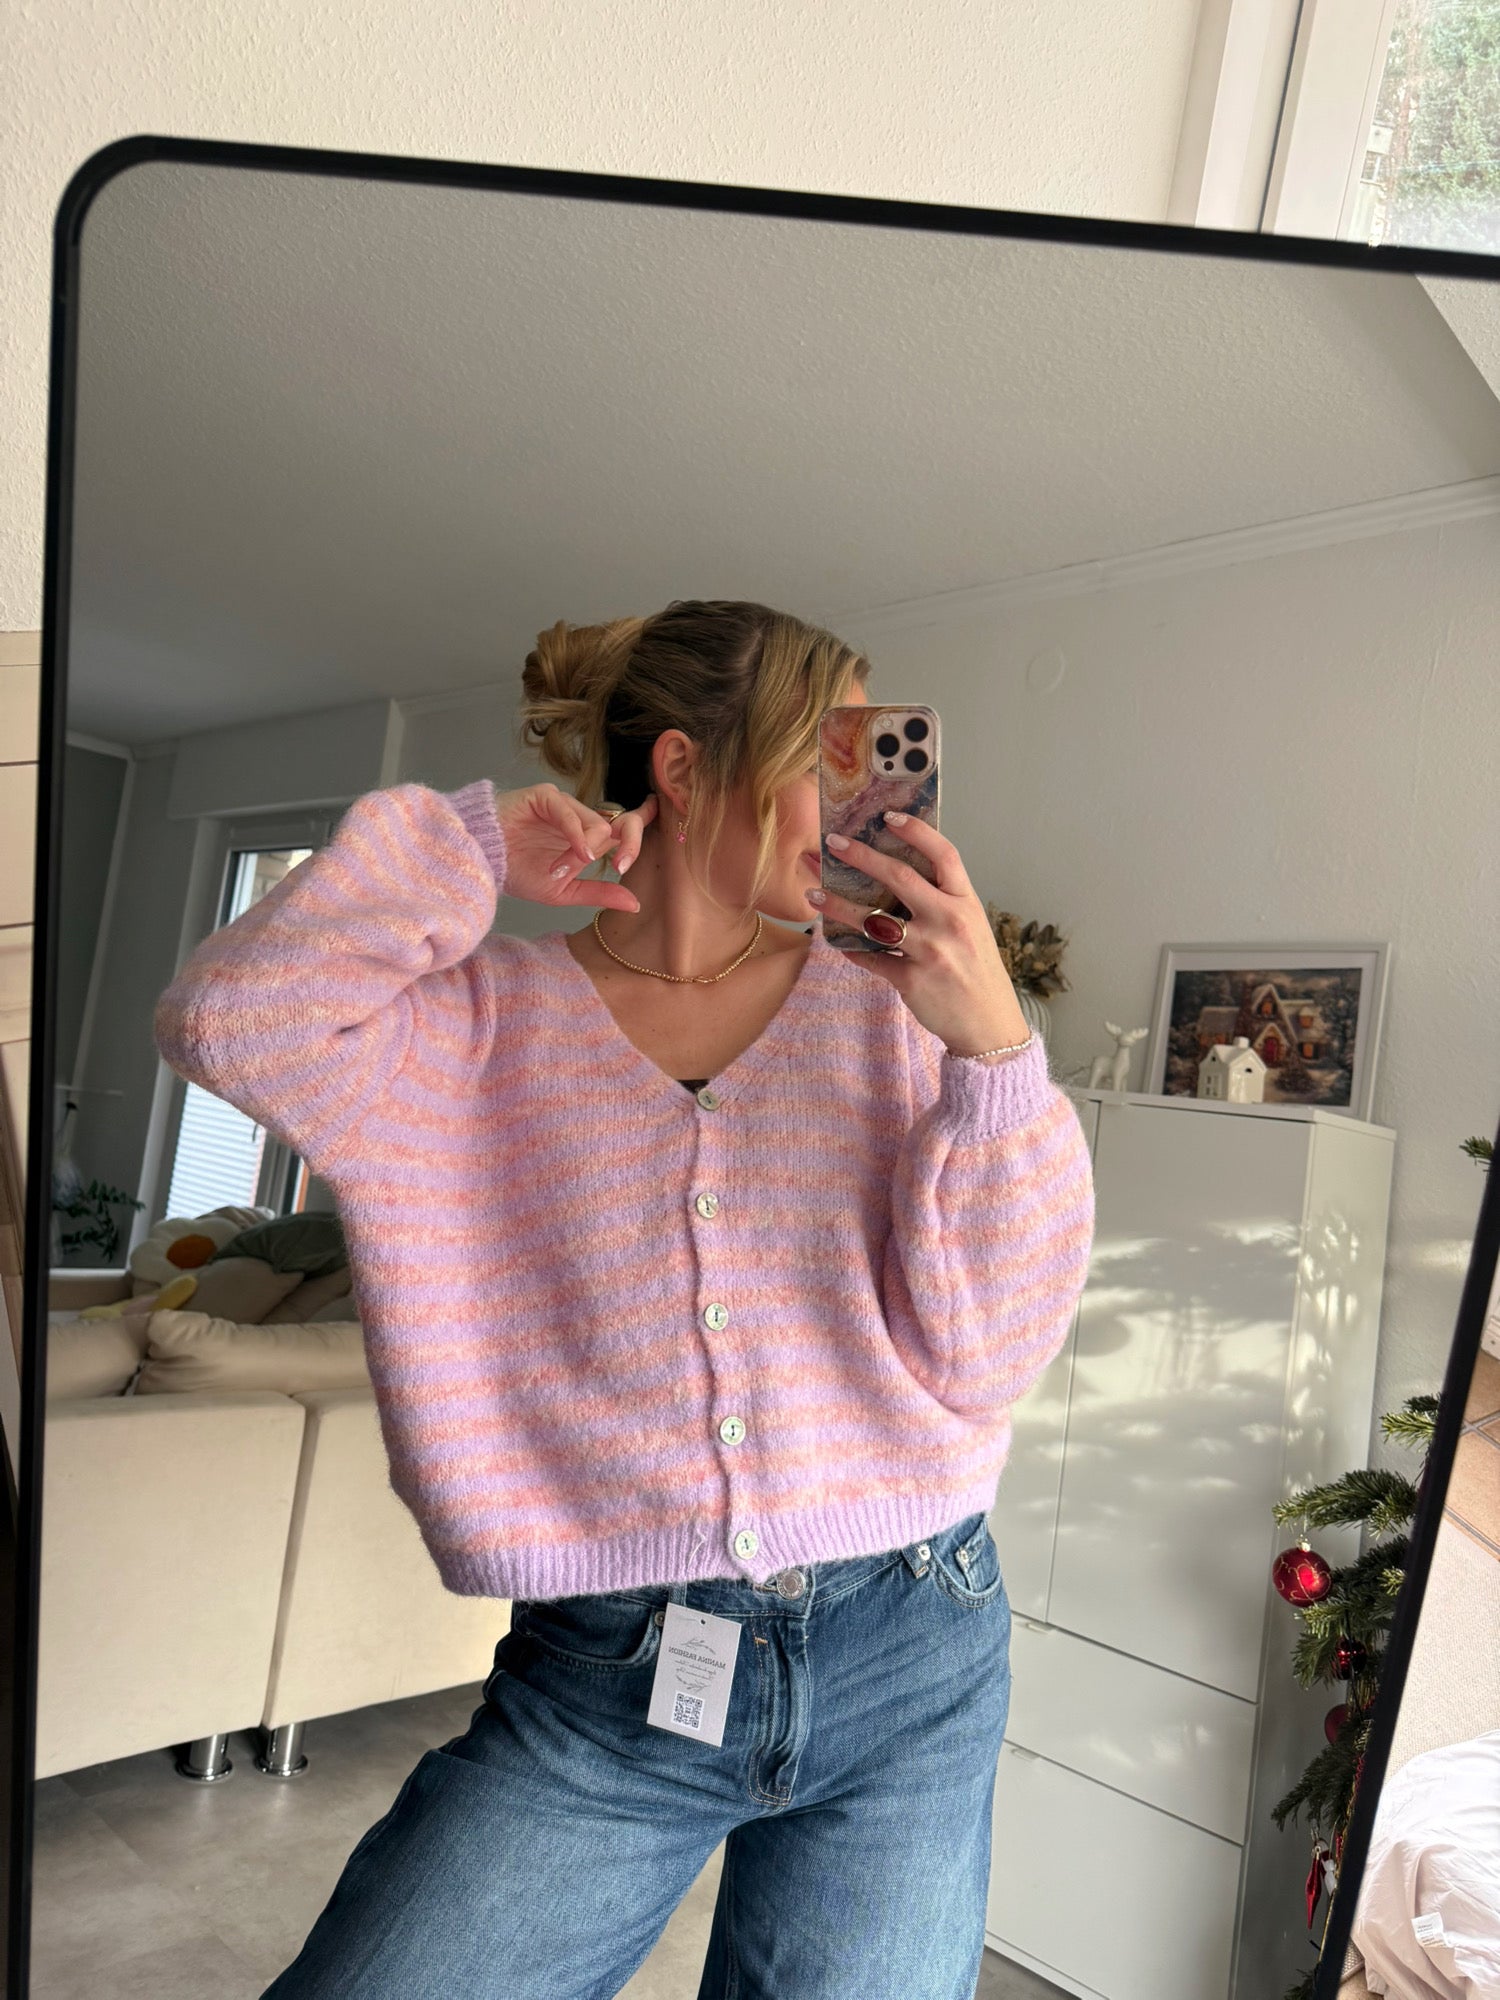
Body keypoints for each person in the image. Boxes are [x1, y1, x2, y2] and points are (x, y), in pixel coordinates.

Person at [153, 598, 1096, 2000]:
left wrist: (996, 1053)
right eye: (823, 755)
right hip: (609, 1680)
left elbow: (989, 1357)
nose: (860, 797)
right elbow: (229, 1021)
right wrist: (473, 848)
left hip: (917, 1644)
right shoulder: (465, 1030)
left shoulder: (892, 1010)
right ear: (686, 768)